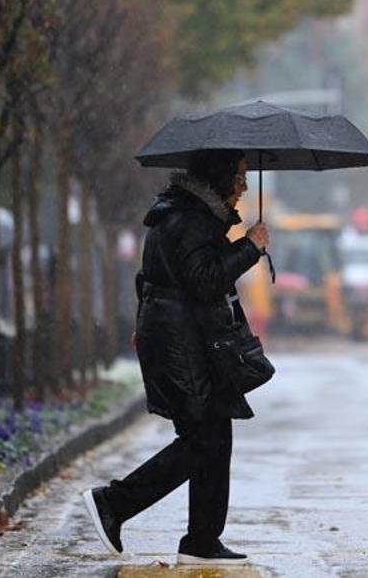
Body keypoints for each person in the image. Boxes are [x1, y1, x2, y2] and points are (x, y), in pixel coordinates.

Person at [82, 149, 269, 566]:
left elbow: (159, 277)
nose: (243, 186)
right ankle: (113, 502)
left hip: (185, 338)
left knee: (216, 435)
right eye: (238, 176)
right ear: (219, 177)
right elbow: (203, 280)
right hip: (181, 342)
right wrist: (249, 249)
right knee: (202, 440)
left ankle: (203, 540)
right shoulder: (189, 218)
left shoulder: (190, 214)